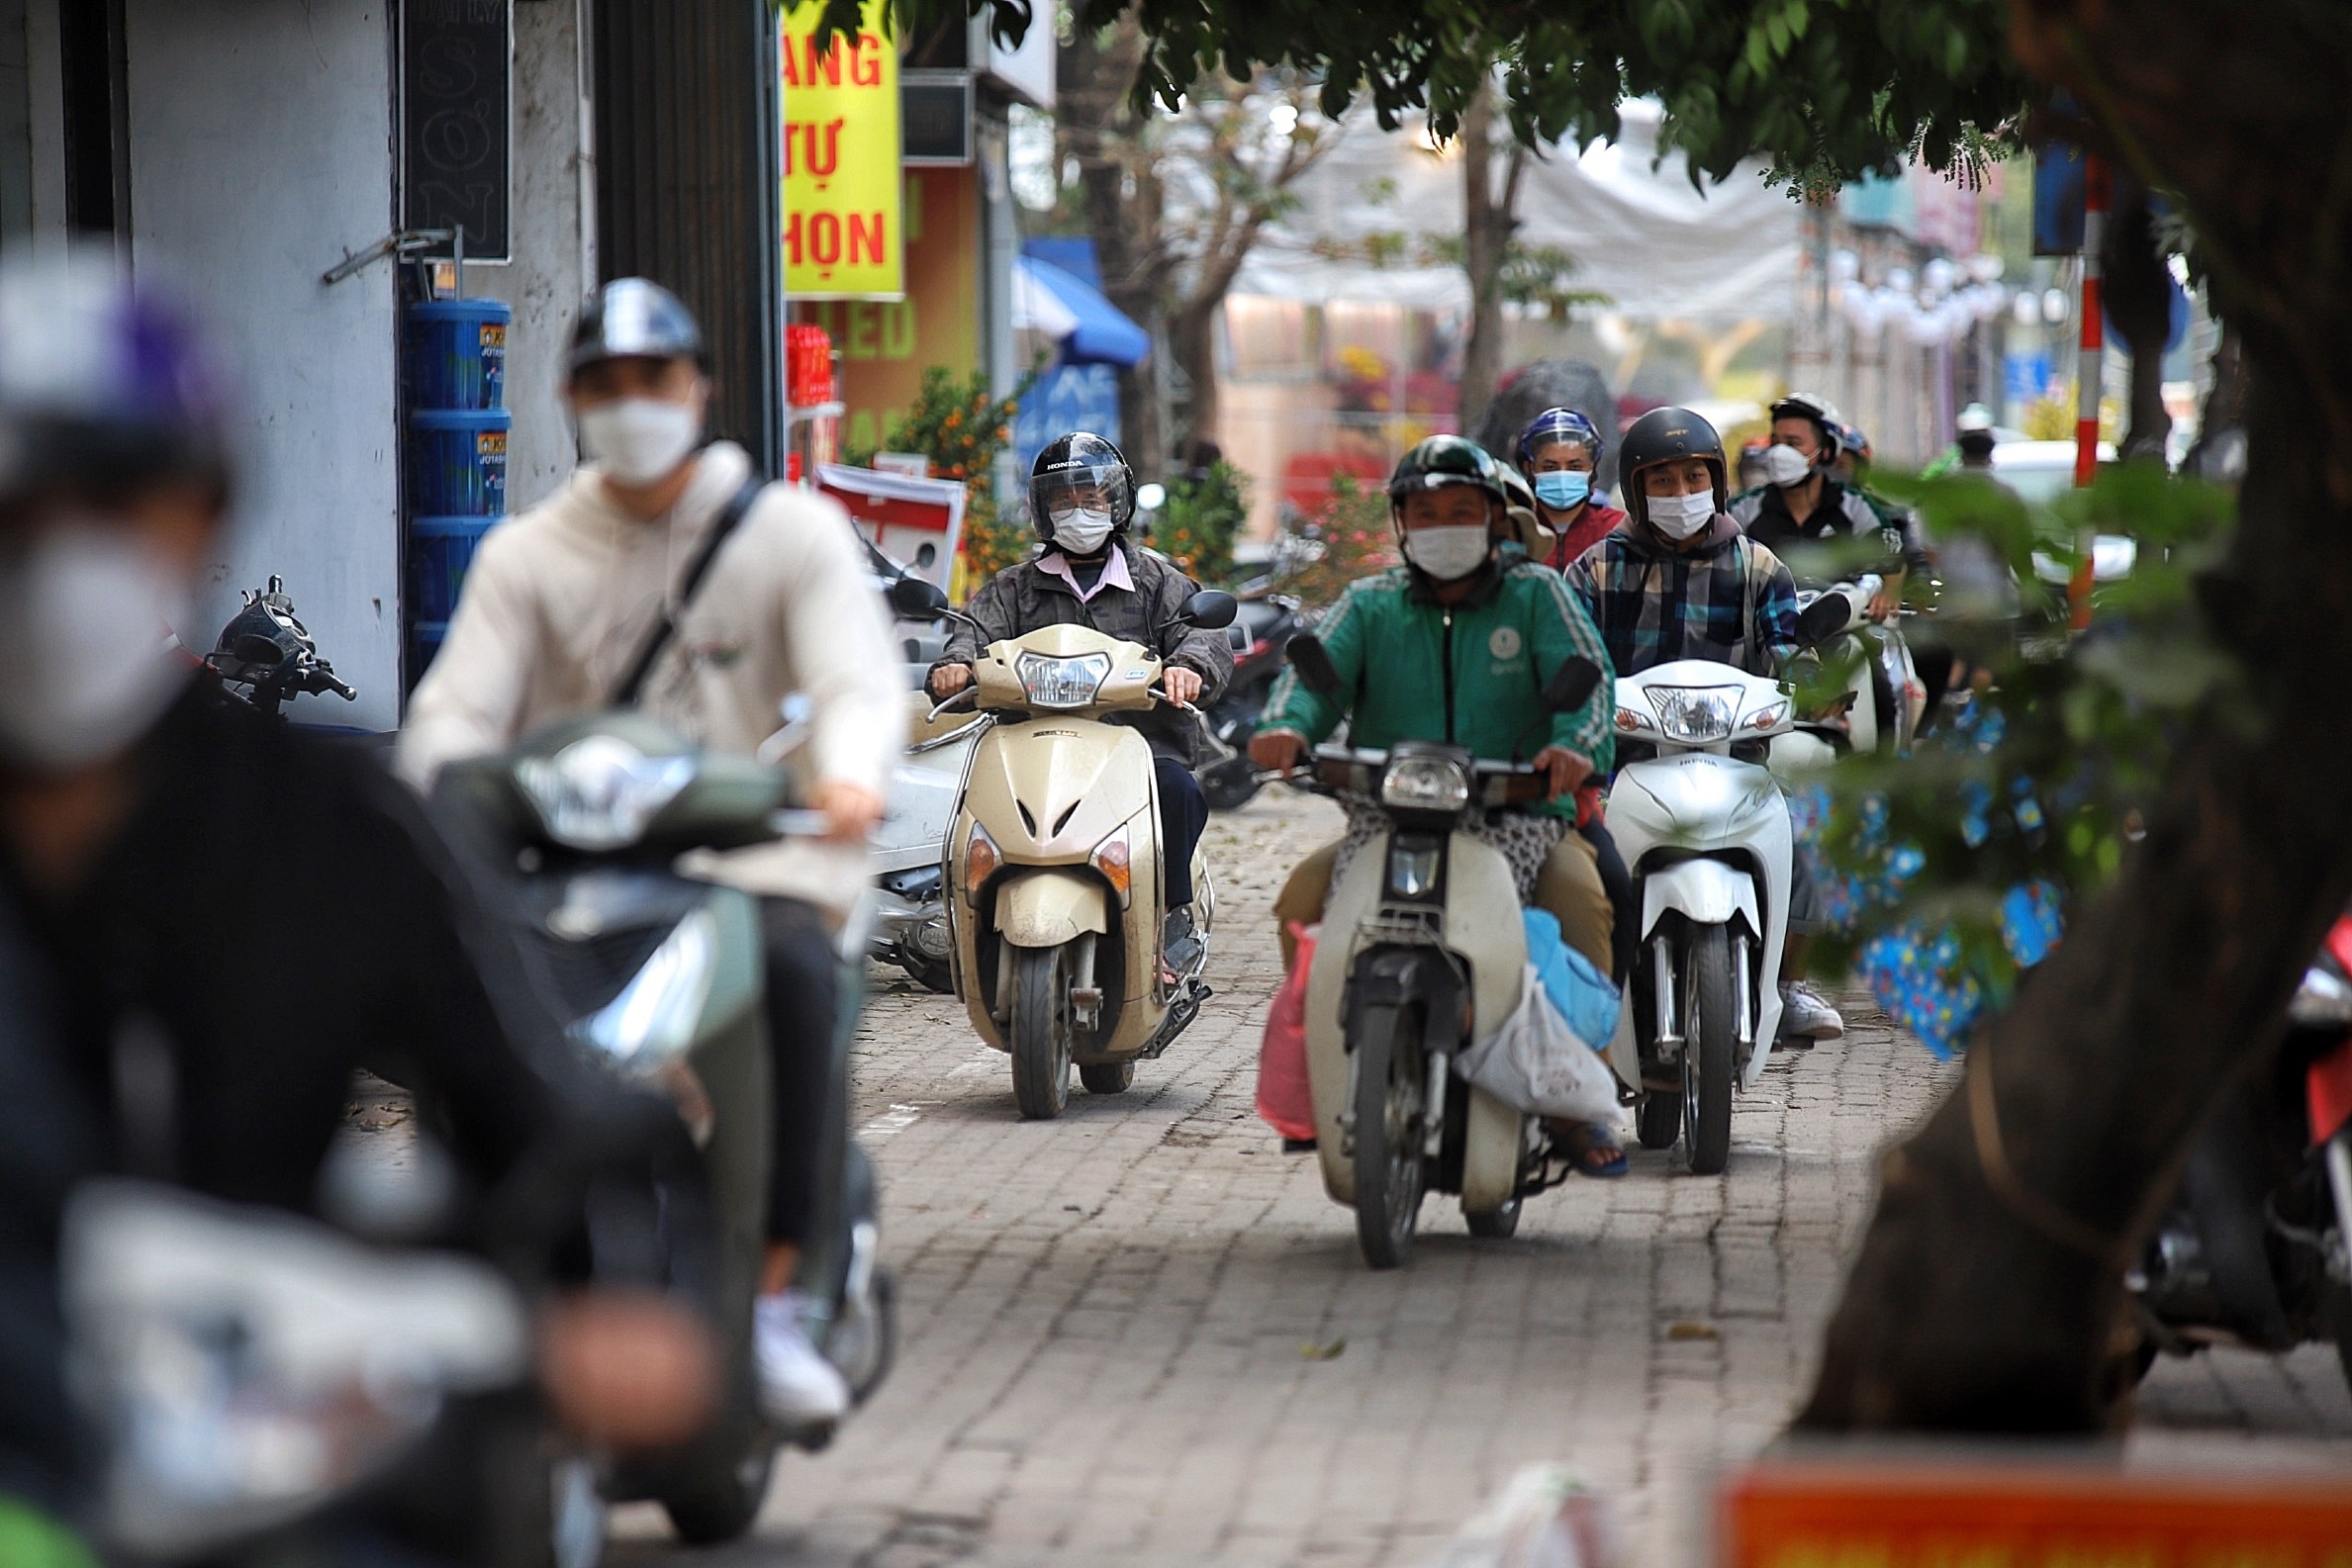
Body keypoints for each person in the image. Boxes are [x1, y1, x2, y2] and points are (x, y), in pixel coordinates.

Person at [0, 256, 713, 1554]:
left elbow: (544, 1108)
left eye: (109, 500)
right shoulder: (524, 562)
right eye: (17, 514)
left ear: (202, 514)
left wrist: (612, 1308)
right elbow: (458, 711)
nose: (59, 557)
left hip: (267, 1458)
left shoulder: (333, 828)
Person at [398, 278, 905, 1433]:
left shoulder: (788, 533)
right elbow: (453, 715)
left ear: (700, 390)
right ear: (573, 399)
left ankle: (780, 1294)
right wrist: (429, 796)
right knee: (447, 994)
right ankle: (469, 1274)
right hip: (578, 876)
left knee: (792, 976)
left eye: (655, 381)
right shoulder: (529, 553)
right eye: (607, 386)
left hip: (759, 865)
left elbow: (854, 682)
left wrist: (849, 774)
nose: (634, 405)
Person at [1246, 435, 1628, 1175]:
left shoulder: (1537, 595)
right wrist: (1284, 729)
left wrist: (1573, 745)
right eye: (1426, 512)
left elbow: (1593, 684)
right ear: (1401, 524)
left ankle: (1575, 1094)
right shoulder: (1371, 603)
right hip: (1389, 813)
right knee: (1301, 896)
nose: (1443, 525)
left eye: (1461, 510)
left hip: (1518, 813)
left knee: (1581, 900)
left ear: (1492, 518)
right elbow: (1314, 683)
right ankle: (1325, 1078)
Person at [1565, 407, 1844, 1042]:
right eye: (1662, 482)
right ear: (1636, 490)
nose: (1680, 494)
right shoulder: (1594, 569)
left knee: (1813, 828)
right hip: (1622, 764)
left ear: (1717, 483)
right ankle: (1585, 993)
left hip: (1737, 760)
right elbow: (1566, 650)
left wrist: (1813, 678)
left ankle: (1785, 983)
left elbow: (1787, 643)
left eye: (1694, 479)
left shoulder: (1758, 566)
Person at [927, 432, 1231, 977]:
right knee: (971, 804)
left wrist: (1189, 668)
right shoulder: (1012, 588)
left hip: (1137, 746)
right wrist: (954, 666)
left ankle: (1168, 917)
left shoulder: (1158, 581)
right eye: (1063, 500)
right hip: (1033, 748)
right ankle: (969, 924)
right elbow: (971, 634)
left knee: (1179, 791)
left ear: (1116, 504)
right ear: (1043, 511)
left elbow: (1201, 636)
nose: (1078, 511)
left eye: (1090, 499)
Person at [1732, 393, 1929, 622]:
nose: (1779, 453)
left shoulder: (1857, 506)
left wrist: (1887, 594)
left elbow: (1892, 564)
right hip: (1763, 633)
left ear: (1826, 451)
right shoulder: (1743, 509)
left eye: (1793, 443)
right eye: (1776, 442)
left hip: (1843, 633)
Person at [1515, 407, 1627, 571]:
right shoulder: (1515, 528)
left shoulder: (1617, 530)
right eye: (1550, 467)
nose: (1562, 475)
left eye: (1574, 466)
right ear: (1529, 468)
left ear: (1592, 468)